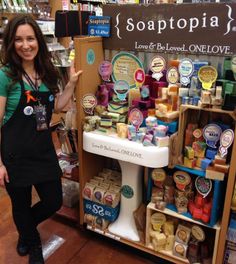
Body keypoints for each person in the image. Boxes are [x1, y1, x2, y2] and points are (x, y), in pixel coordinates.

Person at [0, 14, 82, 264]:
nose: (25, 45)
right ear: (11, 43)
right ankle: (31, 242)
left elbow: (56, 106)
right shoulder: (6, 75)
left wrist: (71, 85)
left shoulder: (47, 71)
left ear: (39, 40)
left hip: (44, 151)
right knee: (21, 203)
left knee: (53, 201)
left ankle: (25, 228)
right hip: (15, 155)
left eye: (30, 39)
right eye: (18, 40)